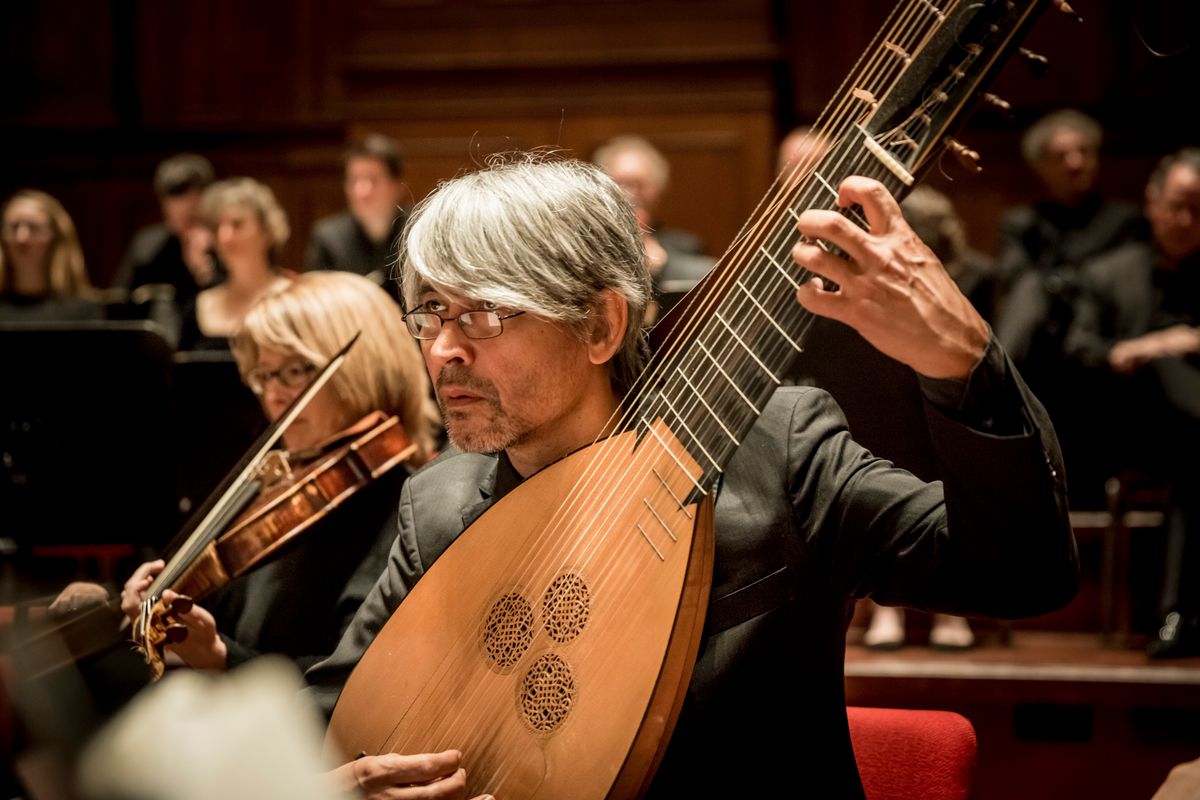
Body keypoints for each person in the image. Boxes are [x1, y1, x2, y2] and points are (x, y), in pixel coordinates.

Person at [304, 155, 1078, 798]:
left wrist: (963, 365)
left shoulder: (777, 452)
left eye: (482, 314)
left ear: (602, 325)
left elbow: (1019, 572)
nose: (442, 350)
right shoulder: (439, 504)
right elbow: (333, 719)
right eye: (430, 314)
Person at [107, 270, 442, 674]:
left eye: (296, 370)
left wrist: (222, 658)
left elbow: (357, 679)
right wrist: (155, 604)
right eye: (264, 374)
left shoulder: (405, 507)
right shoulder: (285, 489)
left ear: (364, 367)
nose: (274, 393)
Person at [1064, 148, 1200, 658]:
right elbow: (1080, 352)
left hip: (1187, 446)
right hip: (1127, 429)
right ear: (1152, 201)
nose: (1187, 221)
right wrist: (1143, 349)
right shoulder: (1108, 273)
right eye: (1179, 205)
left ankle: (1175, 614)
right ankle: (1177, 613)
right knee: (1165, 366)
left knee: (1194, 466)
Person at [993, 109, 1146, 501]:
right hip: (1043, 359)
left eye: (1084, 152)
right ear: (1040, 166)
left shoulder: (1124, 221)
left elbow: (1121, 285)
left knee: (1038, 289)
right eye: (1061, 156)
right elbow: (1013, 279)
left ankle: (993, 384)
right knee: (1030, 291)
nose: (1075, 163)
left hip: (1099, 357)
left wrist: (1060, 281)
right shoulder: (1022, 223)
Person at [592, 134, 714, 322]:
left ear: (658, 188)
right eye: (621, 183)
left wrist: (661, 266)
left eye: (639, 184)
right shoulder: (585, 247)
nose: (629, 193)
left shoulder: (688, 246)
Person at [178, 177, 292, 351]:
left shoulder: (295, 301)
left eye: (237, 224)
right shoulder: (198, 306)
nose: (224, 237)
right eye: (218, 227)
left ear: (267, 230)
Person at [113, 153, 222, 318]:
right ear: (163, 203)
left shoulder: (226, 240)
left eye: (194, 194)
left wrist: (202, 271)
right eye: (176, 196)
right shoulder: (147, 245)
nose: (186, 206)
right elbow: (120, 302)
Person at [305, 133, 409, 290]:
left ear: (398, 185)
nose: (362, 191)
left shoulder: (419, 229)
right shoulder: (328, 237)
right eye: (354, 180)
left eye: (373, 179)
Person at [0, 189, 102, 323]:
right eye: (14, 227)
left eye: (33, 227)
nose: (22, 238)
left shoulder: (83, 311)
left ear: (56, 237)